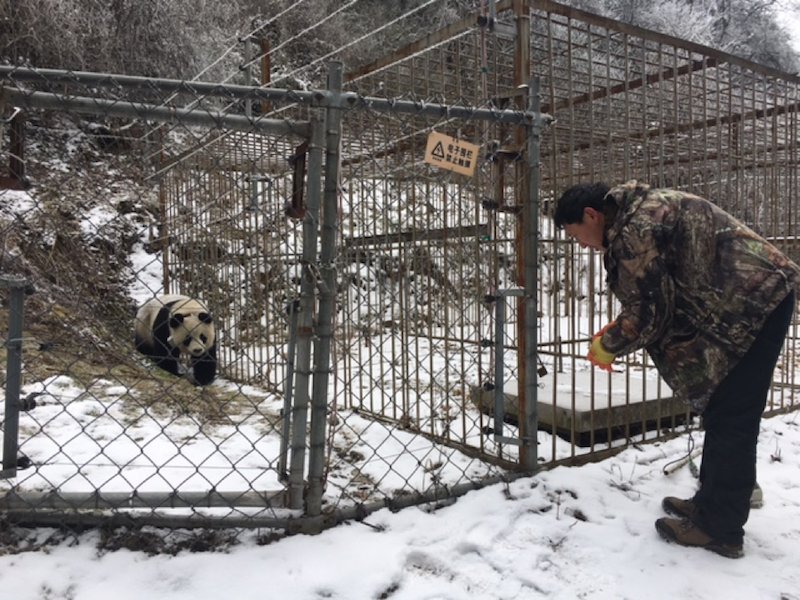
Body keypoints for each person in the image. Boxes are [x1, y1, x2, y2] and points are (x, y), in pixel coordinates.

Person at [554, 180, 799, 559]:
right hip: (754, 296)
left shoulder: (634, 230)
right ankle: (712, 504)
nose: (582, 245)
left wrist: (609, 345)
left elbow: (652, 310)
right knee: (724, 410)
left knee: (732, 416)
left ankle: (720, 528)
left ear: (591, 215)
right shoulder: (641, 211)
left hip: (756, 301)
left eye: (576, 235)